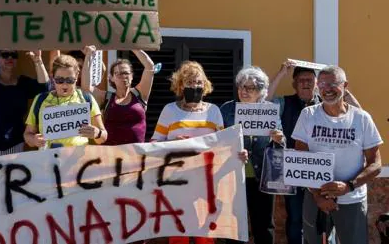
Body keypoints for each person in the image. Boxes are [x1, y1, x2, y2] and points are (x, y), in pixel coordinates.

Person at [151, 60, 247, 244]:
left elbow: (224, 145)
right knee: (179, 231)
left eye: (198, 82)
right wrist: (172, 143)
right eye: (189, 82)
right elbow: (154, 143)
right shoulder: (169, 111)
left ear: (205, 85)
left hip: (207, 181)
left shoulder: (214, 111)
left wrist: (238, 154)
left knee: (205, 232)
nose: (194, 86)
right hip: (176, 180)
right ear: (180, 85)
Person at [268, 60, 361, 244]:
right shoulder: (285, 103)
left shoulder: (327, 103)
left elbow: (358, 113)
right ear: (295, 84)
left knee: (326, 220)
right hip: (294, 172)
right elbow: (265, 102)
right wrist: (281, 73)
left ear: (317, 84)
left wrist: (341, 87)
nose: (306, 83)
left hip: (323, 174)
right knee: (295, 219)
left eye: (310, 79)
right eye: (301, 80)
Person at [292, 65, 383, 244]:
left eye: (333, 84)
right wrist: (318, 195)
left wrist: (349, 186)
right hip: (315, 199)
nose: (327, 89)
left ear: (345, 85)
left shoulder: (362, 118)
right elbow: (300, 158)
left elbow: (376, 164)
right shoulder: (308, 115)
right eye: (322, 85)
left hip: (351, 200)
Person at [220, 66, 285, 244]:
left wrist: (279, 138)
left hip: (261, 176)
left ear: (261, 91)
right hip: (233, 176)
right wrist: (232, 152)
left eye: (250, 88)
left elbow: (280, 143)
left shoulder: (270, 110)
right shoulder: (227, 109)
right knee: (233, 227)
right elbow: (219, 141)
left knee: (264, 226)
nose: (244, 91)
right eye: (241, 86)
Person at [24, 54, 107, 148]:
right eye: (59, 80)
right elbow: (28, 134)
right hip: (49, 159)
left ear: (77, 76)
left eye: (70, 80)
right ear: (52, 77)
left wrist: (97, 134)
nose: (64, 85)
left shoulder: (86, 99)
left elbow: (103, 137)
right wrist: (34, 140)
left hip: (77, 160)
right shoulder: (40, 99)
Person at [82, 46, 154, 145]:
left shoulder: (140, 94)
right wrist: (89, 56)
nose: (123, 76)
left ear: (132, 76)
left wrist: (132, 46)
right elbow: (86, 88)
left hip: (135, 156)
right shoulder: (106, 98)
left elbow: (150, 66)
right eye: (118, 74)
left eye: (126, 73)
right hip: (111, 155)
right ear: (111, 78)